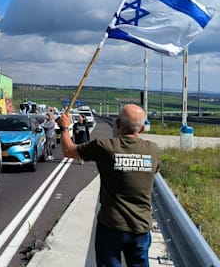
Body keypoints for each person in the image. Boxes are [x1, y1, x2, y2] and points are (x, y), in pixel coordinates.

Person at [58, 103, 160, 267]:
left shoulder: (104, 147)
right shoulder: (153, 150)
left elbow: (68, 150)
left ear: (117, 124)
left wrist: (64, 128)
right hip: (141, 227)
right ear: (141, 129)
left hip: (111, 225)